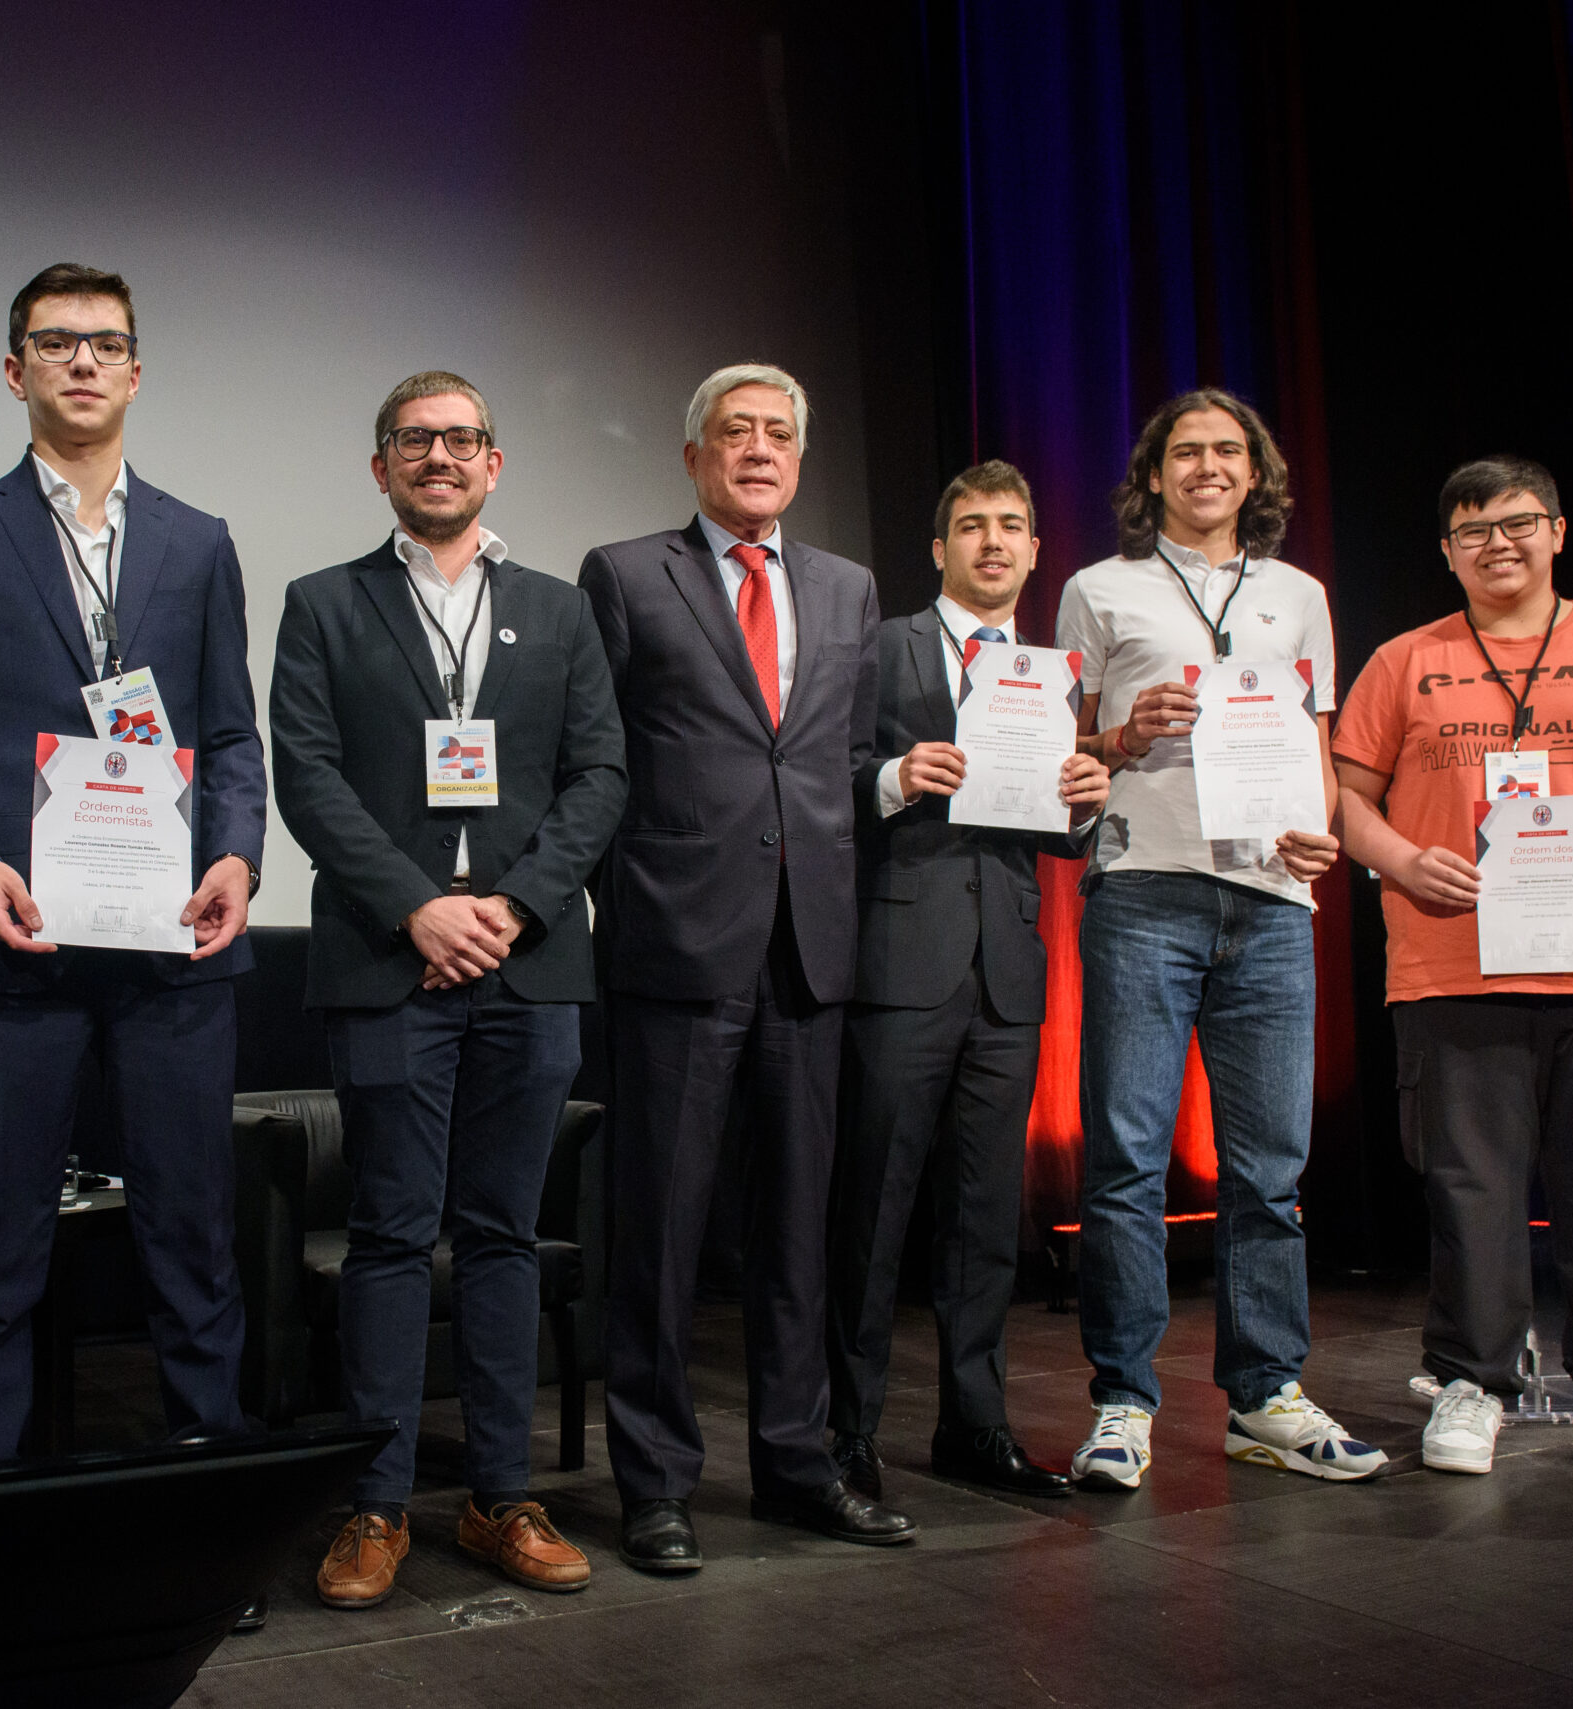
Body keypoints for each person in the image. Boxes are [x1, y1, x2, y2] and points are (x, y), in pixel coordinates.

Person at [0, 264, 265, 1468]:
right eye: (56, 343)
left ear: (137, 372)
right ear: (15, 370)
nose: (82, 362)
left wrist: (239, 851)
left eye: (105, 343)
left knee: (192, 1242)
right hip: (11, 947)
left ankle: (203, 1506)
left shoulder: (200, 544)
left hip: (171, 948)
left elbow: (233, 736)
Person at [270, 371, 626, 1608]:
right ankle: (373, 1506)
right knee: (384, 1232)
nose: (439, 456)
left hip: (529, 965)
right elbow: (306, 777)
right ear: (380, 468)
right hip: (385, 957)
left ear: (495, 461)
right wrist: (416, 905)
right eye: (414, 440)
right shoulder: (323, 603)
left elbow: (599, 776)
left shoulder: (557, 610)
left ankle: (497, 1496)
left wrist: (514, 905)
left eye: (461, 438)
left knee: (501, 1234)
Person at [1332, 455, 1573, 1481]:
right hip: (1456, 964)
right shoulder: (1403, 660)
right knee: (1470, 1190)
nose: (1495, 543)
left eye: (1516, 523)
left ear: (1556, 531)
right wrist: (1401, 857)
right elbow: (1339, 791)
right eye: (1471, 530)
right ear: (1446, 552)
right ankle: (1472, 1381)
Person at [582, 363, 916, 1572]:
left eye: (780, 433)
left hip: (810, 942)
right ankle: (656, 1483)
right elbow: (599, 762)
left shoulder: (845, 585)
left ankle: (795, 1462)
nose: (760, 449)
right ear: (694, 455)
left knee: (797, 1230)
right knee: (662, 1232)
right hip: (674, 939)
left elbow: (846, 753)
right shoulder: (624, 574)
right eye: (737, 432)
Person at [1054, 389, 1386, 1489]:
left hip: (1270, 902)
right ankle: (1122, 1399)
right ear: (1152, 476)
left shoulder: (1299, 594)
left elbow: (1320, 738)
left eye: (1226, 452)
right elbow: (1058, 748)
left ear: (1254, 476)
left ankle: (1265, 1394)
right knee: (1125, 1162)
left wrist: (1321, 833)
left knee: (1268, 1170)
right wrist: (1118, 728)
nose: (1205, 466)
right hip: (1144, 886)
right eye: (1184, 452)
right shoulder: (1098, 588)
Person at [827, 462, 1109, 1502]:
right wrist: (896, 778)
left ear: (1035, 551)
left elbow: (1056, 832)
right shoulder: (881, 643)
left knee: (987, 1218)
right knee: (872, 1214)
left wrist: (1084, 798)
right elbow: (824, 774)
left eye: (1012, 526)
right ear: (937, 548)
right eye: (971, 526)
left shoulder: (1050, 670)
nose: (993, 541)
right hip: (897, 964)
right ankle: (846, 1434)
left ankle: (974, 1425)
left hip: (1009, 973)